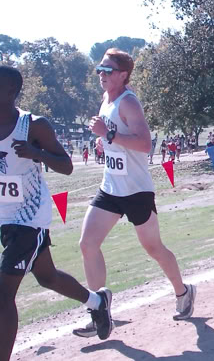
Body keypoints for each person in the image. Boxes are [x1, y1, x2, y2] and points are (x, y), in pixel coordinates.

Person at [76, 49, 195, 337]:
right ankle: (99, 312)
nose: (101, 75)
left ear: (123, 75)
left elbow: (144, 144)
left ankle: (183, 292)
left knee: (153, 248)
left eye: (107, 70)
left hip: (136, 190)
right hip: (110, 187)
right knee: (87, 244)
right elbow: (114, 140)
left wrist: (108, 134)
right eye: (100, 69)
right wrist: (105, 140)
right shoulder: (106, 99)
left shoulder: (128, 102)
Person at [0, 67, 114, 358]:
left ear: (11, 92)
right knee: (47, 277)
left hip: (30, 218)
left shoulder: (32, 125)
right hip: (5, 218)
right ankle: (97, 302)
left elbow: (66, 166)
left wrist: (36, 153)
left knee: (3, 294)